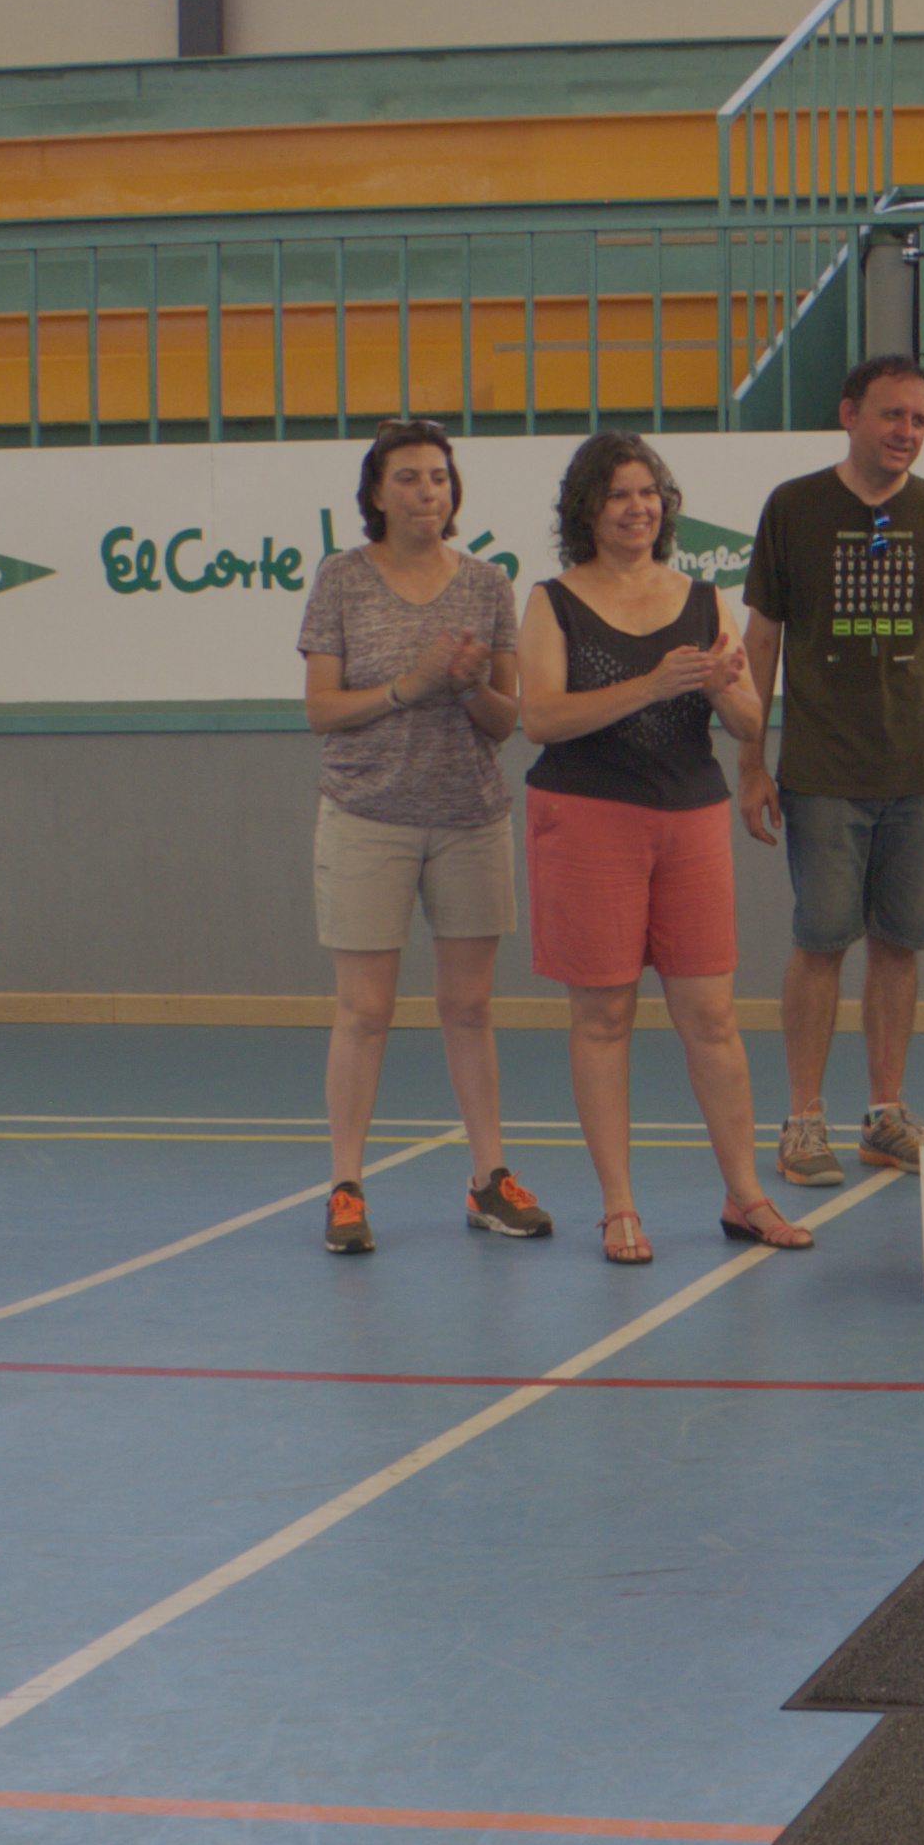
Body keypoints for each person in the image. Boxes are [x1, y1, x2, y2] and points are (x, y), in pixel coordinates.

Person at [519, 435, 808, 1266]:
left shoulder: (705, 600)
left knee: (712, 1016)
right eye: (618, 495)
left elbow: (750, 722)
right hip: (587, 818)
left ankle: (746, 1195)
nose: (637, 508)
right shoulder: (553, 602)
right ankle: (618, 1208)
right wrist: (649, 685)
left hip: (690, 819)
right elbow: (540, 719)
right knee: (604, 1017)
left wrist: (722, 685)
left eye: (648, 493)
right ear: (588, 510)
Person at [735, 354, 924, 1189]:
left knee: (898, 943)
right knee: (820, 943)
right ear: (849, 414)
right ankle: (803, 1121)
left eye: (919, 419)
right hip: (821, 776)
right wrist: (751, 761)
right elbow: (761, 642)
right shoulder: (793, 508)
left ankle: (885, 1117)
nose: (907, 432)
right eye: (892, 415)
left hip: (923, 776)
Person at [295, 417, 549, 1252]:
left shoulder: (487, 585)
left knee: (469, 1006)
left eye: (437, 476)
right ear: (376, 492)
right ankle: (346, 1187)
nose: (425, 492)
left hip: (469, 818)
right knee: (364, 1010)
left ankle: (490, 1179)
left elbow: (505, 722)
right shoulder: (341, 578)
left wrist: (470, 685)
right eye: (406, 477)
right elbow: (321, 709)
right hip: (365, 816)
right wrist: (411, 683)